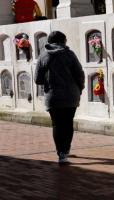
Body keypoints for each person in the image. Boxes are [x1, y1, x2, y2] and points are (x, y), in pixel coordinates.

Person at [34, 31, 85, 164]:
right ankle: (66, 149)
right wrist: (80, 88)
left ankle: (61, 154)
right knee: (68, 123)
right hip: (70, 95)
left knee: (57, 124)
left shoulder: (44, 56)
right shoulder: (70, 54)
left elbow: (37, 79)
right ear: (63, 41)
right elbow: (79, 73)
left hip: (53, 96)